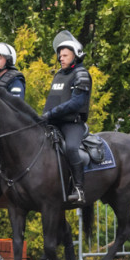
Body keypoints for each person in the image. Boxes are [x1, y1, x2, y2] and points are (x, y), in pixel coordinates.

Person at [41, 30, 92, 205]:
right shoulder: (59, 75)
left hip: (72, 124)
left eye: (65, 55)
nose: (61, 58)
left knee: (71, 148)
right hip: (52, 122)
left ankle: (79, 189)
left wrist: (52, 114)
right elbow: (52, 101)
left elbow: (77, 102)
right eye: (60, 55)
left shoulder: (81, 74)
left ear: (75, 55)